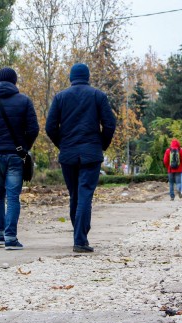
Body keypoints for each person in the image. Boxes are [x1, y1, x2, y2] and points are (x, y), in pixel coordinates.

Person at [46, 63, 116, 253]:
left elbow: (50, 127)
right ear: (87, 77)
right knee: (85, 194)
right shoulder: (97, 96)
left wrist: (63, 144)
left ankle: (79, 236)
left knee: (75, 195)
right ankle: (80, 238)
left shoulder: (60, 97)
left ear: (71, 77)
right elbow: (110, 123)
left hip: (68, 154)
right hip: (91, 153)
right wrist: (101, 144)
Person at [0, 67, 39, 250]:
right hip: (15, 155)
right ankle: (11, 238)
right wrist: (24, 148)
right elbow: (33, 129)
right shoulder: (24, 101)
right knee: (12, 197)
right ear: (14, 81)